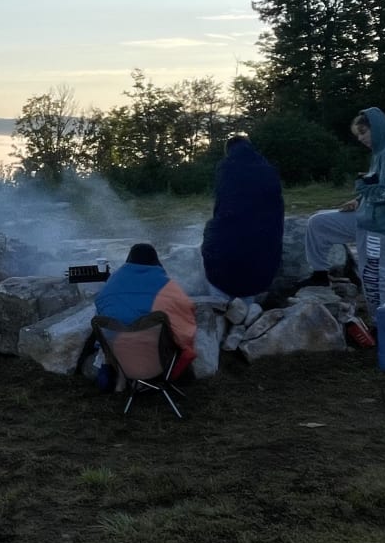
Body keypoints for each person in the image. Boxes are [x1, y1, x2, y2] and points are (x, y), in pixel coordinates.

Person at [300, 108, 385, 330]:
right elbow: (376, 187)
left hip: (381, 226)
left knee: (376, 275)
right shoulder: (379, 154)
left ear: (376, 128)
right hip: (365, 218)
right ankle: (320, 274)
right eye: (357, 135)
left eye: (363, 132)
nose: (361, 138)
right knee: (318, 223)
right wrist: (358, 200)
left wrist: (363, 188)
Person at [94, 242, 198, 379]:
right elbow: (187, 310)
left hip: (118, 352)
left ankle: (113, 374)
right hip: (156, 355)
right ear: (156, 260)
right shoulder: (166, 285)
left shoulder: (111, 284)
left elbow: (100, 313)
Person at [201, 133, 283, 303]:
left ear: (229, 150)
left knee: (214, 235)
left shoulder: (226, 168)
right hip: (263, 273)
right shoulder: (268, 169)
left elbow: (222, 209)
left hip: (225, 269)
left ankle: (219, 306)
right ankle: (248, 310)